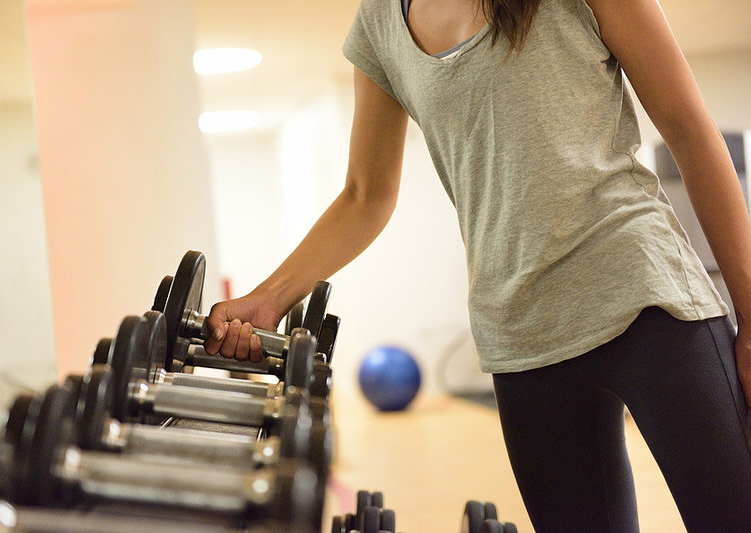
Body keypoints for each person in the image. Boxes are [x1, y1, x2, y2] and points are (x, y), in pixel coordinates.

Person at [204, 0, 751, 530]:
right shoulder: (379, 23)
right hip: (520, 333)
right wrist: (270, 298)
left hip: (645, 296)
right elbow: (365, 195)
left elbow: (689, 130)